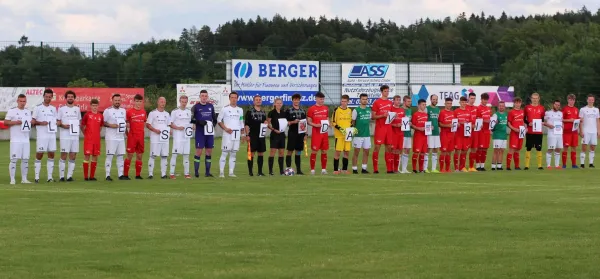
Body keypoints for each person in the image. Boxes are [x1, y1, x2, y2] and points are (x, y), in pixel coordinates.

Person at [5, 94, 32, 184]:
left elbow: (29, 123)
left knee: (25, 159)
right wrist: (15, 122)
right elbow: (6, 122)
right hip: (15, 140)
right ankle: (12, 179)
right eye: (21, 101)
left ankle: (24, 179)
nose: (22, 103)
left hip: (25, 139)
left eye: (24, 101)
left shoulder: (28, 112)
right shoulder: (12, 111)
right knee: (14, 159)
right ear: (17, 101)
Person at [190, 90, 217, 178]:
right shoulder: (195, 107)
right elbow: (191, 119)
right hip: (200, 132)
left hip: (209, 133)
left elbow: (214, 119)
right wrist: (199, 122)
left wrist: (212, 125)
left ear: (207, 97)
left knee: (209, 152)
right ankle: (196, 172)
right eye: (202, 96)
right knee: (199, 152)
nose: (204, 97)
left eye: (205, 96)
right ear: (200, 97)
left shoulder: (211, 106)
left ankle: (207, 172)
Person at [32, 89, 57, 183]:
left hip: (51, 135)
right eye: (46, 96)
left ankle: (50, 177)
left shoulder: (53, 108)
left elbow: (56, 120)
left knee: (51, 154)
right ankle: (36, 177)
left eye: (50, 97)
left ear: (52, 97)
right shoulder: (37, 107)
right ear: (43, 96)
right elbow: (33, 121)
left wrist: (58, 123)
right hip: (42, 135)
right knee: (40, 154)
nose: (48, 98)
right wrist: (40, 123)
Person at [218, 92, 245, 177]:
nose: (234, 99)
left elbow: (241, 122)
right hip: (228, 134)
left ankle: (231, 172)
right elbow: (219, 120)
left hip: (237, 135)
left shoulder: (240, 110)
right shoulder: (224, 109)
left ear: (237, 99)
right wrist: (225, 129)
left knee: (233, 153)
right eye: (232, 97)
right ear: (229, 98)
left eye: (235, 97)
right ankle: (221, 172)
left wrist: (243, 134)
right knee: (225, 152)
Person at [56, 90, 81, 181]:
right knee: (63, 155)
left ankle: (69, 176)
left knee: (73, 155)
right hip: (65, 135)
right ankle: (62, 176)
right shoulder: (61, 109)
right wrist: (62, 125)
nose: (70, 98)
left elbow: (79, 121)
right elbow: (58, 122)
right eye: (69, 97)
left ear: (74, 98)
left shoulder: (77, 109)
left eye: (72, 97)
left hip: (74, 136)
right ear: (66, 98)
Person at [103, 94, 127, 181]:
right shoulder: (107, 111)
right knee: (110, 156)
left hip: (120, 137)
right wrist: (111, 125)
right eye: (115, 100)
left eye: (118, 100)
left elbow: (124, 123)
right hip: (111, 137)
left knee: (120, 156)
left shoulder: (123, 111)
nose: (117, 102)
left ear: (120, 101)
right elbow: (104, 122)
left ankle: (120, 175)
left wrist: (126, 134)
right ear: (112, 101)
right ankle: (107, 175)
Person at [146, 97, 171, 179]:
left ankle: (163, 174)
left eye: (164, 102)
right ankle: (150, 174)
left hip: (164, 138)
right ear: (158, 102)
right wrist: (155, 130)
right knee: (153, 155)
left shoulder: (167, 114)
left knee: (164, 156)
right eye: (161, 101)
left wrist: (169, 131)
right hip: (155, 138)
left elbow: (168, 125)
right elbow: (148, 125)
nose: (163, 103)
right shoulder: (152, 113)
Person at [371, 85, 393, 174]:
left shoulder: (390, 103)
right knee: (377, 147)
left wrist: (392, 117)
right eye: (385, 91)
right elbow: (373, 116)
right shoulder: (377, 102)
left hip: (388, 128)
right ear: (381, 92)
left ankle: (389, 169)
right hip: (380, 128)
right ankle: (375, 169)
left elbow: (391, 114)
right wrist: (382, 115)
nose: (387, 93)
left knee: (388, 148)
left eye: (388, 91)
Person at [169, 95, 192, 179]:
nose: (184, 103)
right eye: (182, 102)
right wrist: (178, 128)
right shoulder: (175, 111)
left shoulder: (189, 111)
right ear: (180, 101)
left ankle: (187, 173)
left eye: (185, 102)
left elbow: (190, 123)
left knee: (186, 154)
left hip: (186, 136)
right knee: (175, 154)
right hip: (178, 136)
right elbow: (170, 123)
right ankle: (171, 173)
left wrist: (192, 127)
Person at [124, 94, 146, 180]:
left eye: (140, 101)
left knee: (140, 156)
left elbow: (143, 124)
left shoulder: (143, 112)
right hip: (132, 137)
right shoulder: (129, 112)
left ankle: (138, 175)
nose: (138, 103)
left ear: (142, 102)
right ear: (134, 101)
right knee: (129, 155)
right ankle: (125, 175)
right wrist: (127, 134)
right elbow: (125, 124)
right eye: (137, 101)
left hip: (140, 137)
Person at [307, 92, 330, 175]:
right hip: (316, 133)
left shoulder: (326, 108)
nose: (322, 100)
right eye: (320, 99)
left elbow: (327, 118)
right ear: (316, 99)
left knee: (324, 150)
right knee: (314, 151)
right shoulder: (311, 109)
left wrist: (329, 123)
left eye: (323, 99)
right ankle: (312, 170)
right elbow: (308, 121)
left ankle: (323, 169)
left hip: (324, 133)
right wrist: (315, 125)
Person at [245, 95, 268, 176]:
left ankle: (260, 172)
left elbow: (265, 122)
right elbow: (247, 125)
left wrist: (266, 123)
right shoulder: (249, 112)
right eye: (257, 100)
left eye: (259, 100)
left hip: (261, 136)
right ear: (254, 101)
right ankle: (250, 172)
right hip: (252, 135)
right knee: (251, 153)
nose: (258, 101)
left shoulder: (263, 112)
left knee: (261, 153)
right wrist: (247, 135)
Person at [284, 93, 307, 175]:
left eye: (298, 99)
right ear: (292, 100)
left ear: (299, 100)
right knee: (290, 151)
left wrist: (306, 134)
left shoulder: (303, 111)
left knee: (298, 152)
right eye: (295, 99)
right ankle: (288, 169)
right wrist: (293, 122)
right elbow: (285, 122)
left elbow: (305, 123)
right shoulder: (288, 110)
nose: (296, 101)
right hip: (292, 133)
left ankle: (299, 170)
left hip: (300, 134)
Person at [81, 99, 103, 181]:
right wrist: (86, 134)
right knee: (87, 156)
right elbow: (82, 125)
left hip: (96, 140)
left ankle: (92, 176)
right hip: (88, 140)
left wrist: (96, 134)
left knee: (95, 156)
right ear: (90, 106)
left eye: (96, 106)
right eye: (93, 106)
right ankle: (86, 176)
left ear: (98, 106)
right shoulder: (87, 115)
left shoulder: (100, 116)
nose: (94, 107)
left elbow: (100, 127)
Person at [523, 92, 545, 170]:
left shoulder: (542, 108)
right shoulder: (527, 107)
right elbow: (524, 119)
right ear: (531, 99)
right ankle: (526, 165)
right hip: (530, 132)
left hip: (538, 132)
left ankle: (539, 165)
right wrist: (528, 123)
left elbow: (542, 119)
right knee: (528, 148)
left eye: (536, 98)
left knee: (539, 148)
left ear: (539, 99)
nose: (535, 100)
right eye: (533, 98)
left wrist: (541, 123)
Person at [332, 94, 353, 174]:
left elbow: (350, 122)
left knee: (347, 152)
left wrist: (351, 128)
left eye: (345, 101)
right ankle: (335, 170)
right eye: (342, 101)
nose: (343, 103)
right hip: (339, 135)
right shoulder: (336, 110)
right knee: (338, 152)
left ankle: (344, 169)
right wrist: (340, 129)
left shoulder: (349, 111)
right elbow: (333, 122)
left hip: (348, 135)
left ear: (348, 102)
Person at [351, 93, 372, 174]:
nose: (365, 100)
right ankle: (354, 169)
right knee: (356, 152)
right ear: (360, 100)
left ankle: (364, 168)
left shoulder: (369, 110)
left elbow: (368, 120)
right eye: (363, 99)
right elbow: (353, 122)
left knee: (366, 152)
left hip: (367, 135)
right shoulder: (356, 110)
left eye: (366, 99)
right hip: (358, 135)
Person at [579, 94, 599, 168]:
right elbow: (580, 121)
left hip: (594, 131)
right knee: (584, 147)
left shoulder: (596, 110)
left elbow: (598, 121)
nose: (591, 101)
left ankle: (591, 163)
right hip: (586, 131)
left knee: (593, 147)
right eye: (589, 100)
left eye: (592, 100)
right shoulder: (583, 109)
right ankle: (582, 164)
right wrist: (581, 131)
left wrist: (598, 131)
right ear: (587, 100)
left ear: (594, 101)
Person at [267, 98, 286, 175]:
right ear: (275, 104)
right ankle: (270, 171)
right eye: (277, 103)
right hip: (274, 134)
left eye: (280, 103)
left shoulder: (283, 113)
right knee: (272, 152)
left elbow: (285, 122)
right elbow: (268, 124)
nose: (279, 104)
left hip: (282, 134)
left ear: (282, 104)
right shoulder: (271, 113)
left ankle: (281, 171)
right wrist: (274, 129)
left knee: (281, 153)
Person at [453, 96, 472, 172]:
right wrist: (459, 123)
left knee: (465, 150)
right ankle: (456, 168)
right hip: (458, 134)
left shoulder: (468, 111)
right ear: (459, 102)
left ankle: (462, 167)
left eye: (465, 102)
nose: (463, 103)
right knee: (457, 150)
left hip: (466, 135)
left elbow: (470, 122)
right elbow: (454, 122)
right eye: (462, 102)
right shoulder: (456, 111)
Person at [544, 100, 563, 169]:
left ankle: (557, 165)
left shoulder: (561, 113)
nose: (557, 106)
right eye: (556, 104)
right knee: (551, 148)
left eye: (558, 105)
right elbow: (544, 122)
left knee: (558, 148)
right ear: (553, 104)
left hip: (559, 133)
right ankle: (548, 165)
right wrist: (549, 125)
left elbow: (561, 122)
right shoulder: (548, 113)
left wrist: (562, 126)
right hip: (551, 133)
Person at [561, 94, 579, 168]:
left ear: (574, 101)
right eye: (570, 100)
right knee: (566, 147)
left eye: (573, 100)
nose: (572, 101)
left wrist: (579, 120)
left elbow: (577, 119)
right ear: (568, 100)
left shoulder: (576, 109)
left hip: (574, 132)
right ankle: (564, 164)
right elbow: (561, 119)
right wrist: (569, 120)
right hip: (567, 131)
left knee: (574, 147)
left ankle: (574, 164)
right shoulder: (564, 109)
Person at [507, 97, 525, 170]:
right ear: (514, 103)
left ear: (521, 103)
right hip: (514, 133)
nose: (518, 104)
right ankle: (508, 166)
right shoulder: (511, 112)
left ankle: (517, 166)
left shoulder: (522, 112)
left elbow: (523, 121)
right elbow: (508, 123)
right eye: (516, 103)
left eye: (519, 103)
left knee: (518, 149)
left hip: (521, 133)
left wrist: (524, 128)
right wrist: (514, 129)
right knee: (512, 149)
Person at [411, 99, 429, 173]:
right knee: (416, 152)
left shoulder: (426, 115)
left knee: (423, 152)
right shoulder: (415, 114)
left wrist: (430, 128)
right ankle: (414, 169)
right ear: (419, 105)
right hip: (418, 136)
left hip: (425, 136)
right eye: (422, 104)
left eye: (425, 104)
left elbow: (427, 125)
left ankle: (421, 169)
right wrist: (419, 128)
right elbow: (412, 125)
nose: (424, 106)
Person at [476, 93, 492, 171]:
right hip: (480, 131)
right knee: (480, 148)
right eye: (483, 99)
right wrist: (487, 121)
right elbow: (478, 119)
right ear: (481, 99)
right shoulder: (478, 108)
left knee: (485, 148)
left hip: (487, 131)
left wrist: (493, 121)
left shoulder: (489, 109)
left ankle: (482, 165)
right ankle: (477, 165)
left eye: (486, 100)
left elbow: (490, 119)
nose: (485, 101)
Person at [438, 97, 455, 173]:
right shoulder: (442, 112)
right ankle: (442, 168)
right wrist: (448, 125)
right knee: (443, 151)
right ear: (445, 103)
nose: (449, 105)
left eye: (450, 103)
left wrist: (456, 125)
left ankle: (448, 169)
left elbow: (454, 123)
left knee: (449, 152)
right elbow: (440, 123)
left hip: (452, 134)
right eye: (448, 103)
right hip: (444, 134)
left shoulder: (452, 113)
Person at [389, 95, 405, 173]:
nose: (398, 101)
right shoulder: (391, 109)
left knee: (399, 151)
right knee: (393, 150)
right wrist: (395, 125)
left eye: (399, 100)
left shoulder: (402, 110)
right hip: (393, 133)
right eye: (397, 100)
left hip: (400, 133)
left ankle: (396, 169)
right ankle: (391, 168)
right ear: (393, 101)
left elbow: (404, 122)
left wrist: (405, 124)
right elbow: (388, 122)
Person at [425, 95, 441, 173]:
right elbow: (424, 119)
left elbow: (438, 121)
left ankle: (434, 168)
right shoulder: (427, 108)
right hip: (429, 132)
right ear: (430, 100)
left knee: (435, 150)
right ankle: (425, 168)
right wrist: (428, 127)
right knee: (428, 149)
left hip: (436, 132)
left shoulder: (438, 109)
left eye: (436, 99)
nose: (435, 100)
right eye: (433, 99)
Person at [491, 101, 508, 170]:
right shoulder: (495, 115)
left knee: (502, 150)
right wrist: (495, 123)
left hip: (504, 135)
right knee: (496, 150)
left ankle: (499, 166)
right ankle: (493, 166)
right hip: (497, 135)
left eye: (502, 106)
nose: (501, 107)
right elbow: (491, 126)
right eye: (500, 106)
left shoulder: (506, 115)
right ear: (498, 107)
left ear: (505, 107)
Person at [466, 92, 479, 172]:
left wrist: (479, 125)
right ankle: (462, 167)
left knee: (474, 148)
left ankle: (471, 167)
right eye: (471, 98)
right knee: (465, 149)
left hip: (475, 131)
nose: (473, 100)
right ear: (468, 98)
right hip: (467, 131)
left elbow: (477, 118)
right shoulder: (465, 107)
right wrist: (470, 125)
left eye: (474, 98)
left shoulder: (476, 108)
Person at [400, 96, 413, 174]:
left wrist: (410, 123)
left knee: (407, 150)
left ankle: (404, 169)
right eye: (408, 101)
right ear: (404, 102)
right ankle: (397, 168)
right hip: (402, 133)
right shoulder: (400, 110)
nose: (410, 103)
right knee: (400, 150)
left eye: (410, 101)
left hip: (408, 133)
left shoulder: (409, 110)